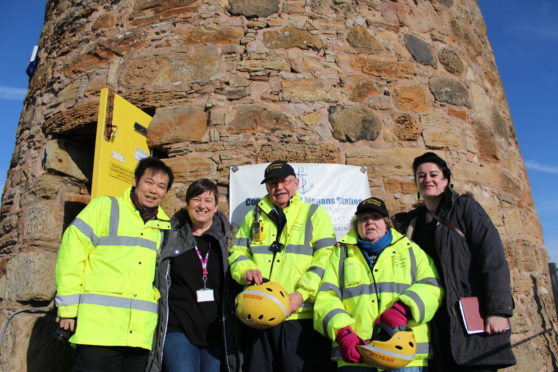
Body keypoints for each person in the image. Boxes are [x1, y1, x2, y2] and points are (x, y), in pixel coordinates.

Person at [392, 152, 516, 371]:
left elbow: (492, 257)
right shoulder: (411, 223)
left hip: (467, 311)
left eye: (433, 174)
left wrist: (498, 311)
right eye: (421, 176)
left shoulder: (465, 209)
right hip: (434, 316)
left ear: (445, 180)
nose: (427, 179)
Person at [55, 157, 174, 371]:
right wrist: (67, 307)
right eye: (148, 182)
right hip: (98, 331)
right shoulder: (105, 207)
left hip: (139, 336)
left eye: (161, 186)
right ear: (136, 180)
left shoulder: (165, 227)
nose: (153, 190)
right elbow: (71, 254)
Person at [228, 160, 337, 372]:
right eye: (272, 183)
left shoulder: (314, 214)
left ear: (296, 183)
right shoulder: (253, 216)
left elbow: (326, 258)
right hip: (258, 314)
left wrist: (301, 294)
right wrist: (245, 271)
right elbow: (238, 253)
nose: (279, 188)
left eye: (284, 182)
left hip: (298, 316)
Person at [314, 197, 443, 371]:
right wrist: (342, 332)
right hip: (358, 355)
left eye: (376, 217)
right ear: (357, 224)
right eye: (363, 218)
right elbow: (326, 297)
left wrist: (402, 308)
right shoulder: (340, 254)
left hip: (405, 356)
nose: (370, 222)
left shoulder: (410, 250)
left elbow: (432, 286)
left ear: (386, 222)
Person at [146, 178, 242, 372]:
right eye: (197, 199)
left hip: (214, 330)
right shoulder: (169, 235)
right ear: (187, 203)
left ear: (216, 207)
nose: (202, 206)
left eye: (208, 201)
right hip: (178, 326)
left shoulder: (228, 239)